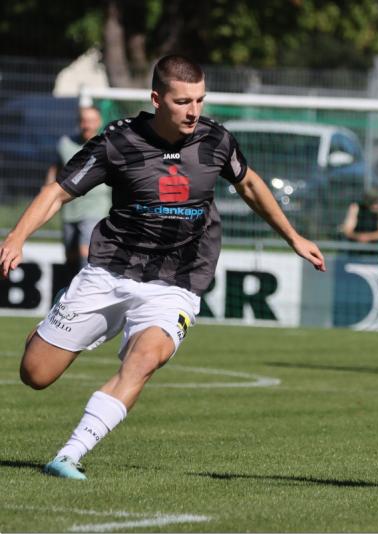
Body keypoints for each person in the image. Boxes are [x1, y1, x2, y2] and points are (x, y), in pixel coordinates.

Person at [0, 55, 326, 480]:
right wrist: (16, 237)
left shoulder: (216, 141)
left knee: (145, 359)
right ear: (157, 99)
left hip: (178, 280)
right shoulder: (117, 142)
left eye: (200, 100)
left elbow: (248, 183)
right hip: (111, 270)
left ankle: (69, 455)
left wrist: (294, 237)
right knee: (36, 374)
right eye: (182, 101)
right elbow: (58, 193)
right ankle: (59, 318)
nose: (194, 111)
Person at [44, 105, 112, 278]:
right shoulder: (65, 144)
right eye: (84, 121)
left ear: (99, 122)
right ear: (78, 122)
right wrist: (47, 193)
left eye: (91, 121)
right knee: (71, 256)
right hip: (70, 208)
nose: (87, 125)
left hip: (96, 207)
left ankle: (86, 287)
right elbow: (56, 169)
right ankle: (70, 287)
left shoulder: (107, 144)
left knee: (85, 250)